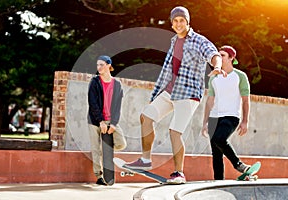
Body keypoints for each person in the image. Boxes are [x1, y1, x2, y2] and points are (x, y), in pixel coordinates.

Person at [124, 6, 226, 184]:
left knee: (175, 131)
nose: (179, 24)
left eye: (182, 20)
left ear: (188, 22)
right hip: (170, 90)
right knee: (146, 117)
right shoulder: (173, 41)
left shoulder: (198, 40)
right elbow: (166, 72)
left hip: (188, 93)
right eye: (176, 21)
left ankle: (179, 173)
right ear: (172, 24)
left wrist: (217, 66)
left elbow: (213, 54)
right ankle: (145, 160)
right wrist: (156, 94)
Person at [201, 45, 251, 180]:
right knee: (216, 154)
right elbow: (210, 101)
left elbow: (246, 100)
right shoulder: (214, 78)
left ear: (231, 58)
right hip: (214, 117)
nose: (219, 58)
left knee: (219, 139)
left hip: (231, 116)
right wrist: (205, 122)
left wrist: (245, 121)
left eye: (222, 55)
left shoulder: (240, 76)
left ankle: (238, 164)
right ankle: (218, 183)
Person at [88, 55, 127, 185]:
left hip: (110, 120)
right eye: (97, 65)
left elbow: (118, 107)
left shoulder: (117, 85)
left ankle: (107, 150)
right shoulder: (95, 82)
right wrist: (100, 121)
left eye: (101, 65)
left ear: (109, 65)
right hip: (95, 121)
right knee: (96, 149)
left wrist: (114, 124)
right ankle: (99, 176)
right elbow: (92, 103)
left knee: (121, 143)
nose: (99, 67)